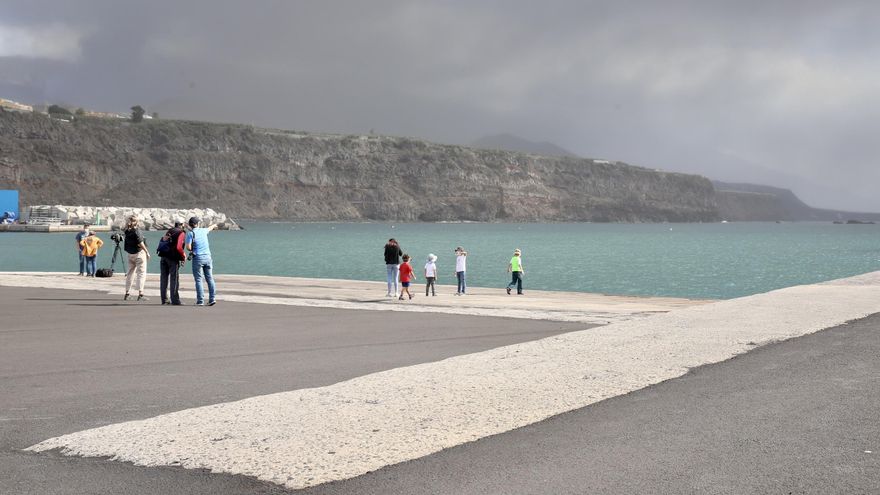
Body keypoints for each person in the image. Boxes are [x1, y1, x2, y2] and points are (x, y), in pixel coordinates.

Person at [185, 216, 218, 306]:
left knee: (199, 280)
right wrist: (214, 225)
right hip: (207, 257)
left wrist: (192, 248)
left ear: (191, 225)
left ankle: (200, 301)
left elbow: (188, 247)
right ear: (198, 224)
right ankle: (212, 298)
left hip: (198, 258)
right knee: (210, 278)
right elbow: (210, 228)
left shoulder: (190, 233)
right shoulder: (204, 231)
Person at [158, 220, 187, 305]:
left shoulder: (169, 231)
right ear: (182, 224)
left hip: (163, 257)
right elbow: (178, 247)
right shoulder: (181, 233)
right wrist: (183, 257)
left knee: (163, 279)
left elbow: (163, 240)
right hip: (172, 259)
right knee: (174, 279)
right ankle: (175, 300)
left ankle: (164, 300)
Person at [123, 215, 151, 301]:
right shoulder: (137, 231)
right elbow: (140, 243)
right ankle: (140, 294)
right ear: (136, 222)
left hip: (130, 254)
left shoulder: (127, 231)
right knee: (141, 273)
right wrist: (147, 252)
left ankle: (127, 293)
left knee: (130, 274)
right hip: (139, 254)